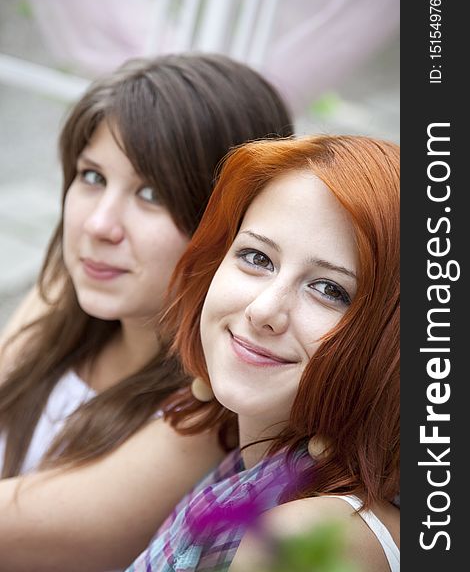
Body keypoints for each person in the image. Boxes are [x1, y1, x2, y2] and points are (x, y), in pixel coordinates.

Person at [0, 53, 293, 571]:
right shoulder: (71, 290)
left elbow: (29, 530)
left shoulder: (215, 408)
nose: (99, 225)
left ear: (228, 224)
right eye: (91, 176)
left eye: (150, 193)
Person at [126, 134, 400, 572]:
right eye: (256, 257)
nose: (263, 310)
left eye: (329, 289)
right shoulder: (247, 457)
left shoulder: (311, 537)